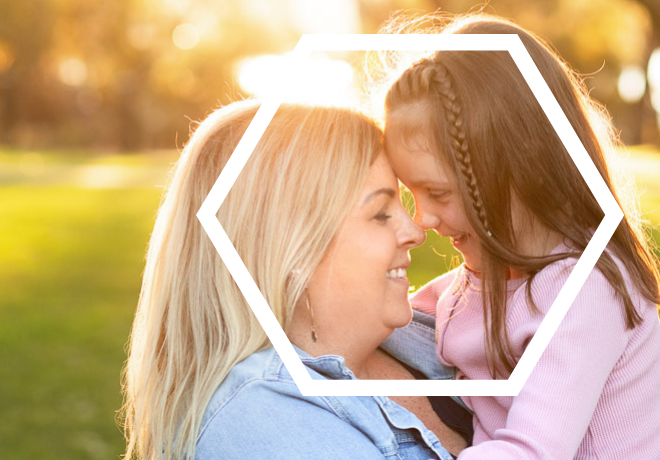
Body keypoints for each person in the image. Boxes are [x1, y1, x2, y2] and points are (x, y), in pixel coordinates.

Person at [380, 14, 660, 459]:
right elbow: (393, 319)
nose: (423, 218)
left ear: (518, 167)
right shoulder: (475, 282)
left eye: (437, 193)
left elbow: (532, 450)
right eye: (411, 193)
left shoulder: (587, 287)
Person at [120, 99, 472, 460]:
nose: (416, 230)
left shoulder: (441, 331)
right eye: (381, 214)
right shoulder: (259, 420)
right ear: (294, 250)